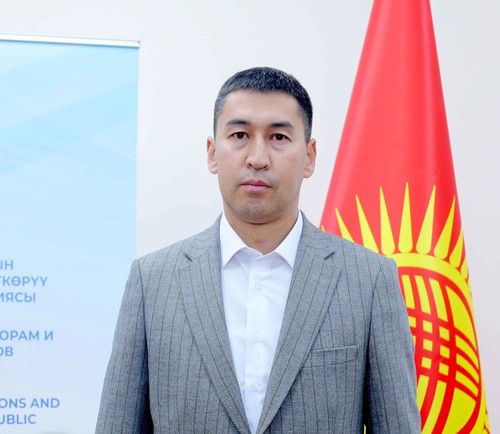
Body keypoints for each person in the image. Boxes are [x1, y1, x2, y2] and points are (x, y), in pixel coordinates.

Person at [96, 67, 420, 433]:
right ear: (212, 153)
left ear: (309, 156)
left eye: (279, 136)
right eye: (240, 135)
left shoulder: (369, 280)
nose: (258, 157)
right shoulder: (152, 282)